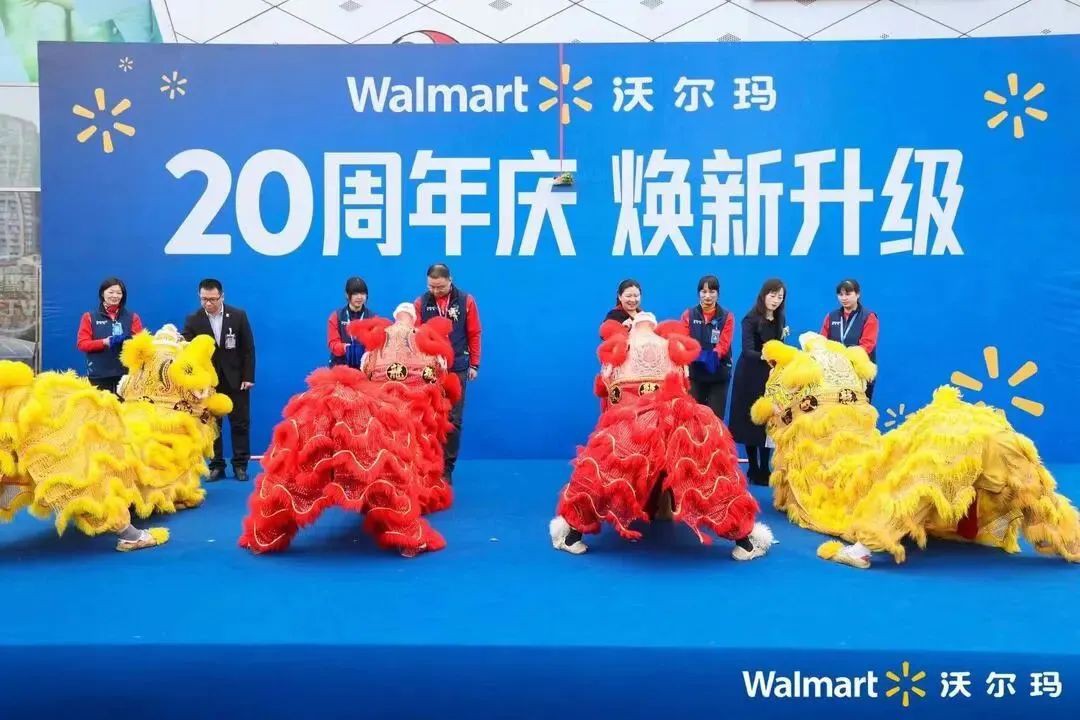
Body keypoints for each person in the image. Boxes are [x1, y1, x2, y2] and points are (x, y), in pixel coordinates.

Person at [549, 313, 774, 561]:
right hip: (676, 418)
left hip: (633, 422)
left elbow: (607, 390)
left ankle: (572, 533)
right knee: (707, 476)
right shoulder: (670, 346)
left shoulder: (623, 347)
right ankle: (745, 539)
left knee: (604, 473)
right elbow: (684, 386)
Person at [182, 279, 256, 482]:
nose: (208, 303)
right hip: (208, 383)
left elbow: (248, 349)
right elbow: (186, 349)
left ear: (222, 296)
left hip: (237, 379)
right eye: (204, 299)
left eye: (213, 299)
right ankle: (216, 465)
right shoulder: (193, 319)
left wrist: (248, 376)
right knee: (213, 426)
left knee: (240, 423)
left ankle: (240, 465)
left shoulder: (238, 315)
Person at [414, 264, 480, 484]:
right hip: (430, 370)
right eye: (431, 287)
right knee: (428, 418)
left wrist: (474, 364)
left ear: (450, 280)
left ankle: (446, 469)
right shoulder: (420, 303)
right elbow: (414, 336)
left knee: (453, 420)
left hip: (457, 368)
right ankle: (427, 467)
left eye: (440, 287)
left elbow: (474, 333)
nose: (435, 291)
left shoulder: (466, 301)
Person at [728, 279, 788, 486]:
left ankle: (765, 467)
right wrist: (768, 356)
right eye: (772, 295)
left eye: (780, 297)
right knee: (751, 421)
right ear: (763, 295)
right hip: (750, 374)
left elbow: (781, 346)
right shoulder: (751, 318)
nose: (775, 300)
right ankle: (753, 467)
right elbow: (748, 350)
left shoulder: (780, 318)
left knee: (768, 420)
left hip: (770, 377)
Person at [76, 276, 143, 395]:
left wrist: (130, 341)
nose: (115, 296)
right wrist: (104, 342)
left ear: (123, 295)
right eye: (111, 292)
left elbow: (140, 344)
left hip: (126, 376)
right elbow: (82, 344)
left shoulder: (133, 317)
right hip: (99, 375)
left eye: (119, 293)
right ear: (102, 293)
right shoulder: (89, 317)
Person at [681, 275, 734, 423]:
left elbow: (723, 344)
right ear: (698, 293)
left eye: (712, 291)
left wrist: (712, 357)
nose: (708, 296)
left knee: (714, 420)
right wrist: (699, 357)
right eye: (704, 292)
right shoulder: (688, 314)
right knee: (692, 419)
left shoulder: (727, 317)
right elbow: (685, 342)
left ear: (718, 294)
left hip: (718, 374)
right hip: (694, 375)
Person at [821, 279, 879, 401]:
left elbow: (867, 345)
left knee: (859, 410)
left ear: (858, 294)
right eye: (840, 294)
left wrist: (846, 361)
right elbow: (822, 342)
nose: (844, 298)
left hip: (860, 376)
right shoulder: (831, 317)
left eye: (848, 294)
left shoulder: (869, 317)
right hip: (834, 376)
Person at [328, 276, 375, 368]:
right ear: (347, 295)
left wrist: (365, 351)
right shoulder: (336, 316)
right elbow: (333, 343)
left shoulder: (372, 317)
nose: (359, 297)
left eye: (363, 293)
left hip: (365, 367)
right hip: (340, 366)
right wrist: (346, 348)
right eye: (355, 293)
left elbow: (375, 344)